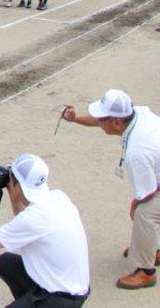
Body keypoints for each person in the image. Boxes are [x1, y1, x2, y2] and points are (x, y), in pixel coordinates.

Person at [63, 89, 160, 289]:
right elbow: (99, 121)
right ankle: (153, 248)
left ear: (116, 122)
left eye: (102, 118)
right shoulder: (137, 113)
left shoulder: (138, 151)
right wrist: (75, 119)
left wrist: (137, 203)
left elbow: (148, 192)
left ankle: (146, 271)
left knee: (144, 213)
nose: (98, 121)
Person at [0, 153, 91, 306]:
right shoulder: (59, 197)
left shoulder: (34, 218)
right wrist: (12, 191)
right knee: (5, 263)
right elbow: (22, 219)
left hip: (62, 300)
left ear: (18, 184)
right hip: (72, 287)